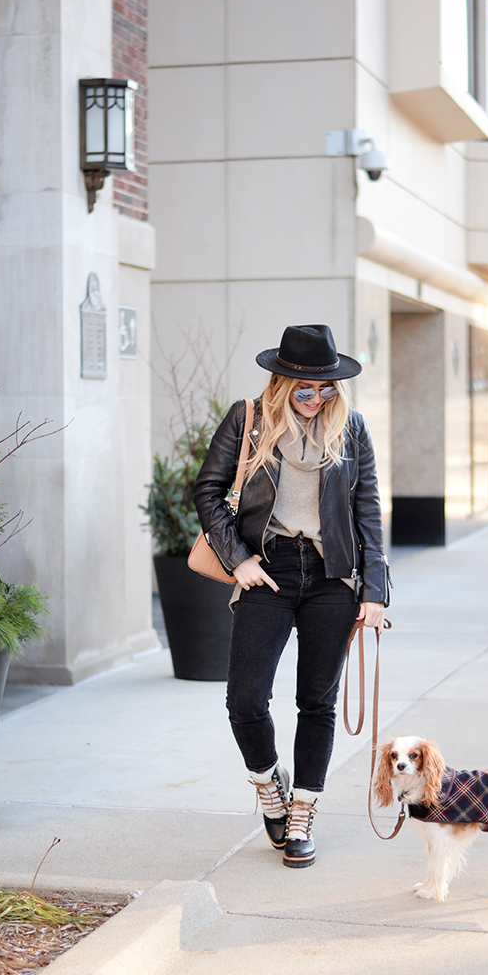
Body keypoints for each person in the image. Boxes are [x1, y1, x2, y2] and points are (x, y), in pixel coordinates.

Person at [194, 324, 389, 869]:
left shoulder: (351, 430)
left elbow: (367, 510)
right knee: (246, 700)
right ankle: (268, 785)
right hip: (270, 570)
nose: (317, 398)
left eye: (327, 388)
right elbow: (208, 490)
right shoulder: (248, 419)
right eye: (305, 388)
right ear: (281, 382)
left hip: (333, 577)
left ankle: (302, 809)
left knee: (317, 702)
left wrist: (374, 591)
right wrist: (239, 559)